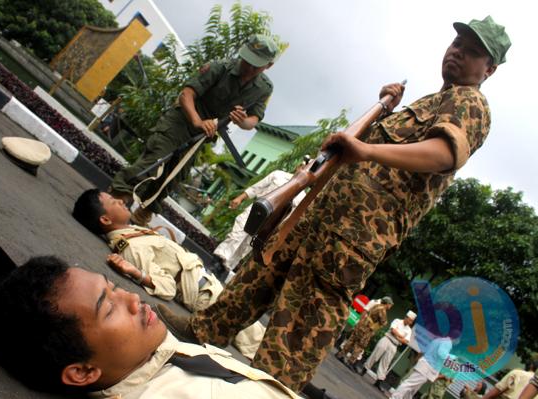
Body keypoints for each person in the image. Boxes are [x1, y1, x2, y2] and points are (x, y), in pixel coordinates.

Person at [154, 16, 511, 392]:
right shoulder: (434, 100)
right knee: (259, 274)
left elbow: (443, 154)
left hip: (354, 235)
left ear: (489, 69)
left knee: (302, 323)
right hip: (324, 213)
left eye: (471, 53)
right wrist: (384, 113)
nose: (457, 54)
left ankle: (268, 391)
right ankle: (203, 330)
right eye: (457, 45)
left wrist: (366, 147)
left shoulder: (470, 103)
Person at [0, 257, 300, 398]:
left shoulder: (153, 353)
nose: (134, 299)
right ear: (81, 372)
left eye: (114, 288)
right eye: (109, 308)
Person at [73, 189, 265, 359]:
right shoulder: (131, 247)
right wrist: (137, 273)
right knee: (261, 346)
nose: (122, 201)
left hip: (211, 287)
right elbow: (168, 288)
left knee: (265, 339)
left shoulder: (133, 232)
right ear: (105, 220)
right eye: (114, 202)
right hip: (207, 297)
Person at [110, 34, 278, 224]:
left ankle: (143, 213)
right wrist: (198, 121)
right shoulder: (220, 67)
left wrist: (242, 121)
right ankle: (117, 198)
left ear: (268, 66)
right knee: (157, 158)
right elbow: (186, 94)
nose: (248, 67)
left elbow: (253, 120)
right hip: (181, 120)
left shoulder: (264, 88)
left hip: (202, 135)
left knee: (174, 175)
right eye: (247, 60)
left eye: (255, 65)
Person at [214, 167, 307, 274]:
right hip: (255, 211)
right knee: (236, 235)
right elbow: (257, 187)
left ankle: (224, 269)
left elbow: (288, 217)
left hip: (269, 224)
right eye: (303, 167)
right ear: (299, 167)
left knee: (246, 245)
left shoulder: (302, 196)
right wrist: (240, 198)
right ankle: (216, 260)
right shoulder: (278, 175)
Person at [389, 335, 454, 399]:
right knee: (409, 384)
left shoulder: (438, 340)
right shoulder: (447, 342)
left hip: (425, 364)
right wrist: (453, 357)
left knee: (413, 389)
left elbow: (426, 350)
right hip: (427, 366)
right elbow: (441, 353)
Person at [364, 311, 416, 390]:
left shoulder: (409, 330)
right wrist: (400, 336)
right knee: (375, 355)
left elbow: (406, 341)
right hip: (387, 339)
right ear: (406, 317)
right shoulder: (397, 321)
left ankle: (378, 381)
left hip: (394, 345)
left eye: (412, 321)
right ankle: (364, 369)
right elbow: (392, 330)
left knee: (386, 363)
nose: (411, 322)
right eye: (410, 320)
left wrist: (397, 336)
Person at [336, 296, 393, 367]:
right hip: (367, 328)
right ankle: (350, 361)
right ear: (387, 303)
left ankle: (341, 354)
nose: (390, 306)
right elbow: (384, 322)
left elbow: (366, 311)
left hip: (362, 324)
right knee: (360, 345)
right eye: (390, 304)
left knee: (352, 339)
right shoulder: (382, 310)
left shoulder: (376, 305)